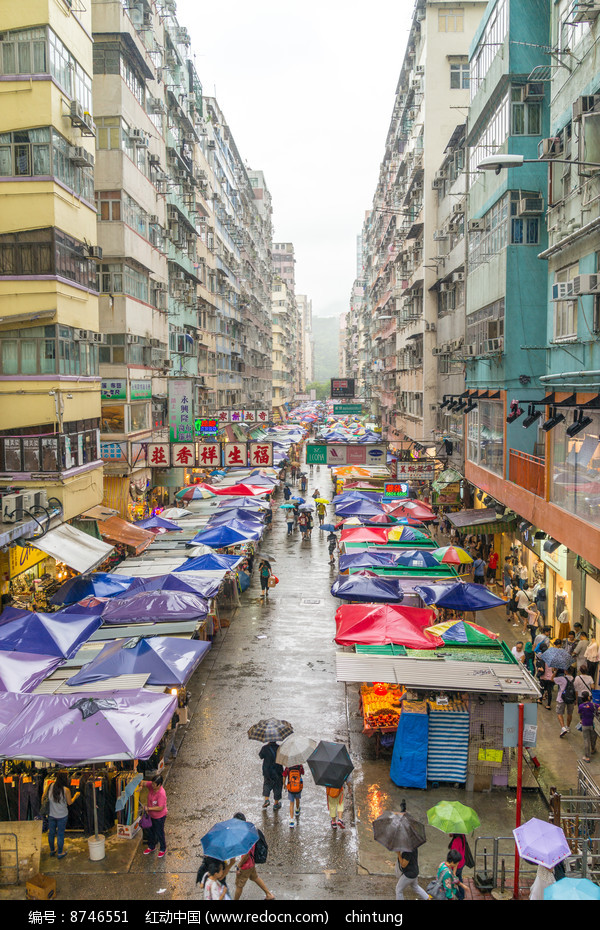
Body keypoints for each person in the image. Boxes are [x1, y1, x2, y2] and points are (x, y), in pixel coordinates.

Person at [232, 813, 275, 900]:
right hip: (251, 863)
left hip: (246, 865)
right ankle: (269, 894)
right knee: (255, 877)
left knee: (239, 886)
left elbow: (246, 855)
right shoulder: (249, 827)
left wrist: (239, 866)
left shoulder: (244, 836)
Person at [42, 771, 80, 859]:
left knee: (51, 833)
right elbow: (70, 802)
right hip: (62, 815)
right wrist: (76, 796)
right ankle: (60, 853)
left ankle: (52, 850)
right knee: (60, 834)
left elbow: (43, 797)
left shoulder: (50, 786)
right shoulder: (66, 790)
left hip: (51, 814)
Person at [142, 773, 168, 858]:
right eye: (152, 783)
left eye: (154, 784)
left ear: (159, 785)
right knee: (151, 832)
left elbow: (160, 808)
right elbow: (143, 782)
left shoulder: (161, 794)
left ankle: (163, 848)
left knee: (159, 832)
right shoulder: (151, 785)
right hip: (151, 816)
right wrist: (140, 786)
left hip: (159, 817)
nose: (152, 785)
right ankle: (151, 846)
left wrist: (148, 809)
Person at [259, 741, 283, 811]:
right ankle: (276, 803)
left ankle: (266, 800)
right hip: (278, 770)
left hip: (267, 771)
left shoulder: (265, 748)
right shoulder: (279, 748)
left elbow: (261, 756)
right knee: (277, 786)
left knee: (267, 784)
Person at [448, 834, 471, 902]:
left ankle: (460, 896)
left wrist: (454, 873)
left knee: (451, 884)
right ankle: (462, 894)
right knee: (459, 878)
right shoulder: (462, 836)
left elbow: (455, 860)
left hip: (456, 866)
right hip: (462, 863)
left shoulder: (455, 842)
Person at [554, 667, 576, 737]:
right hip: (571, 698)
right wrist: (575, 700)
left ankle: (563, 727)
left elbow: (552, 679)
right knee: (570, 713)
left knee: (559, 713)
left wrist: (555, 672)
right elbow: (576, 691)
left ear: (565, 671)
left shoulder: (562, 679)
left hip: (561, 698)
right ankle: (568, 727)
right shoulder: (574, 679)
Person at [578, 692, 598, 762]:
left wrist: (581, 720)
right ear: (588, 697)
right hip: (593, 725)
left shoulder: (580, 706)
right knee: (593, 738)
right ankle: (593, 749)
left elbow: (580, 713)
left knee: (586, 740)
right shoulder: (593, 705)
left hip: (585, 724)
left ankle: (587, 757)